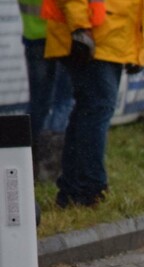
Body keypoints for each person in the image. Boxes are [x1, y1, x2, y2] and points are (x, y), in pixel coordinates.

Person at [41, 0, 144, 208]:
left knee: (89, 111)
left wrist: (139, 45)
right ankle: (89, 189)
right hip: (95, 37)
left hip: (109, 38)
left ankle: (75, 190)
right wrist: (80, 28)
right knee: (96, 110)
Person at [17, 0, 74, 181]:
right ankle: (51, 167)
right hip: (63, 35)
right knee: (63, 100)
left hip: (34, 35)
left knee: (39, 103)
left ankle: (25, 161)